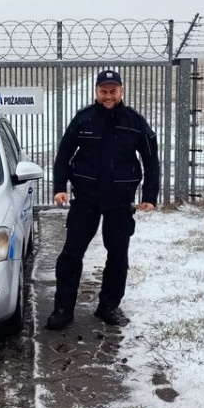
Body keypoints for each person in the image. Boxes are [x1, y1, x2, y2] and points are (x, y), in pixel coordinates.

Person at [45, 70, 160, 330]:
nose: (108, 96)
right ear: (96, 92)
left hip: (120, 202)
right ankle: (63, 309)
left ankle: (109, 306)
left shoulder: (135, 122)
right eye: (103, 91)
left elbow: (151, 160)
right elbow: (63, 154)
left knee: (118, 256)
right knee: (71, 254)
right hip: (85, 199)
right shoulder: (83, 119)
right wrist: (59, 186)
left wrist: (149, 196)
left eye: (113, 91)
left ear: (122, 91)